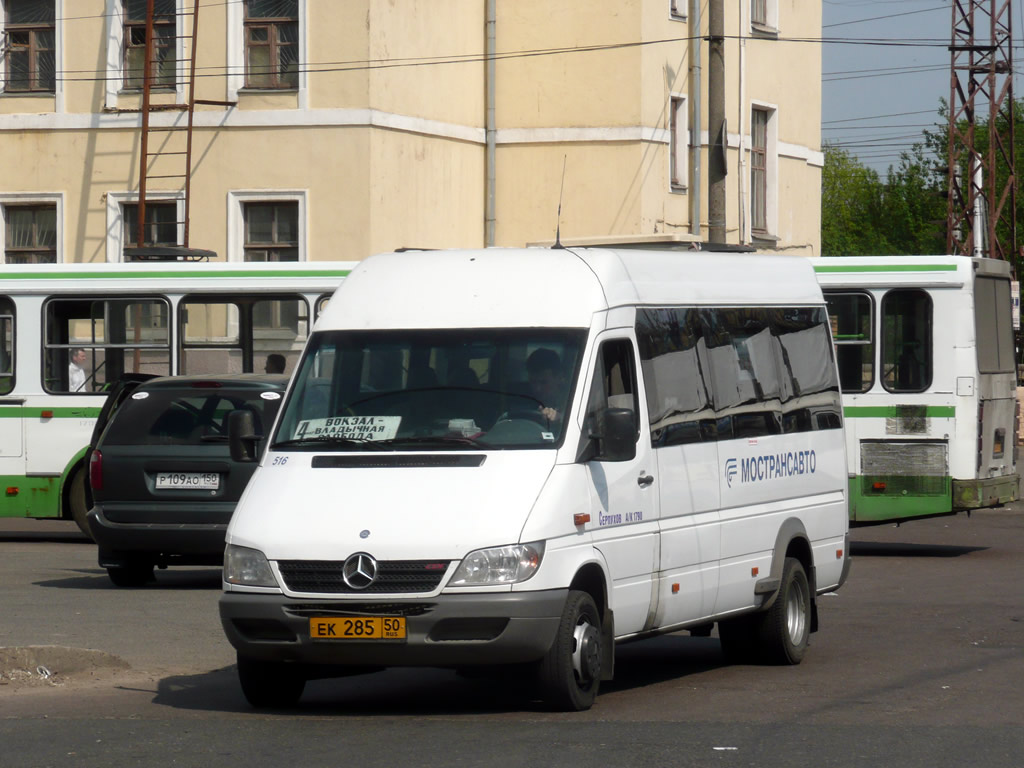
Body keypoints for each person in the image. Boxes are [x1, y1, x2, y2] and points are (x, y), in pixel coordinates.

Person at [526, 347, 567, 423]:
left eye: (543, 382)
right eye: (533, 382)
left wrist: (560, 419)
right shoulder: (524, 401)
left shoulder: (572, 403)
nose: (537, 388)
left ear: (559, 378)